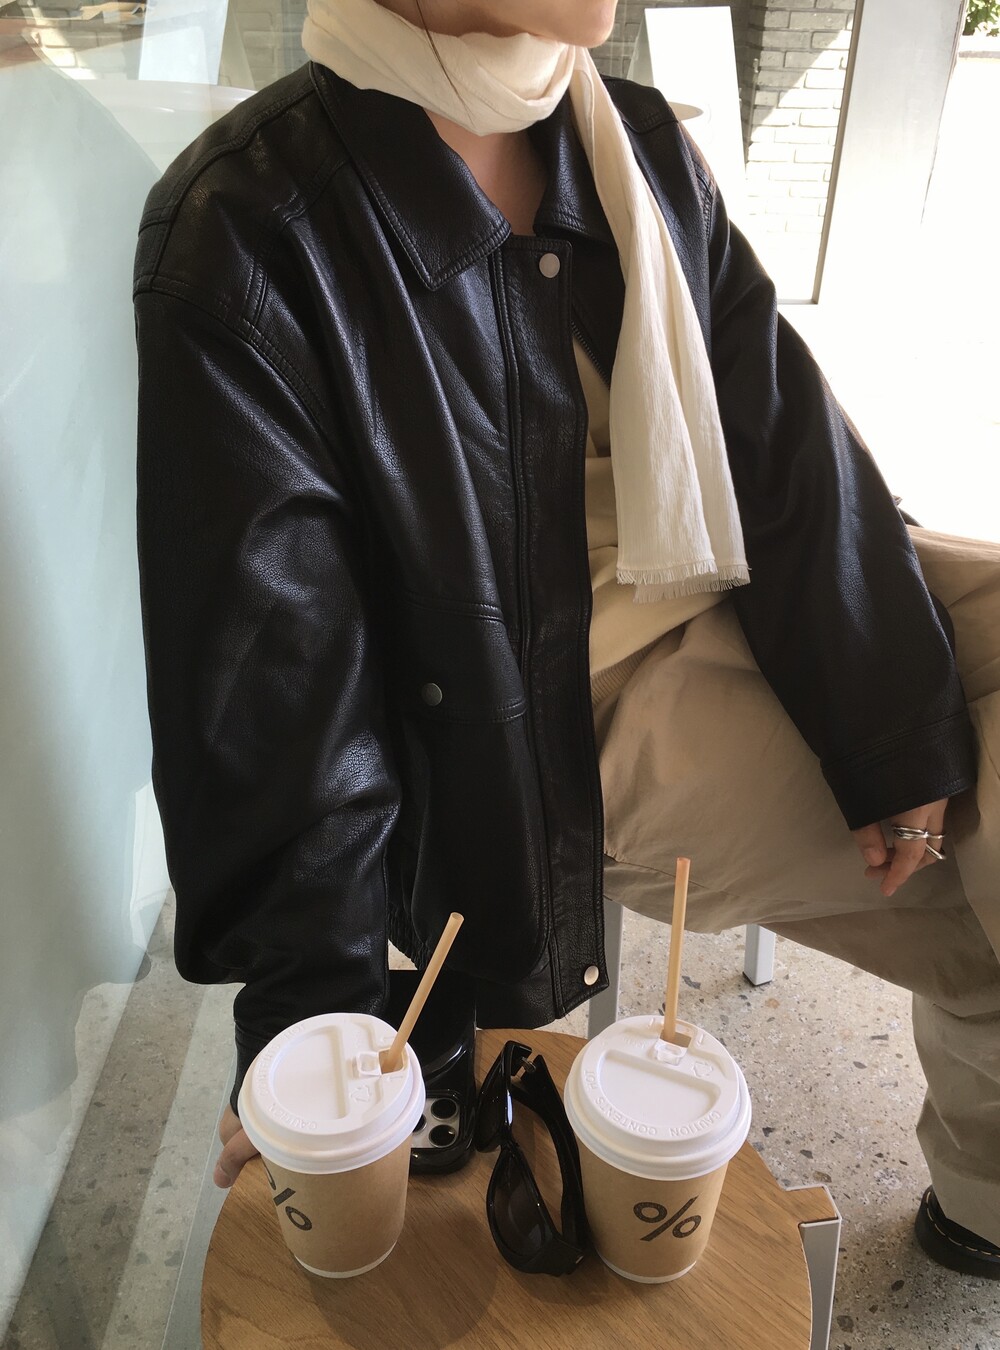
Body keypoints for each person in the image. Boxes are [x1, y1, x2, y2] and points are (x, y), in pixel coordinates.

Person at [133, 0, 1000, 1279]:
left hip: (718, 581)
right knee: (982, 923)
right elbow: (273, 675)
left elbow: (780, 438)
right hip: (546, 705)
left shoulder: (621, 134)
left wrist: (892, 718)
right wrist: (318, 1023)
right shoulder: (252, 227)